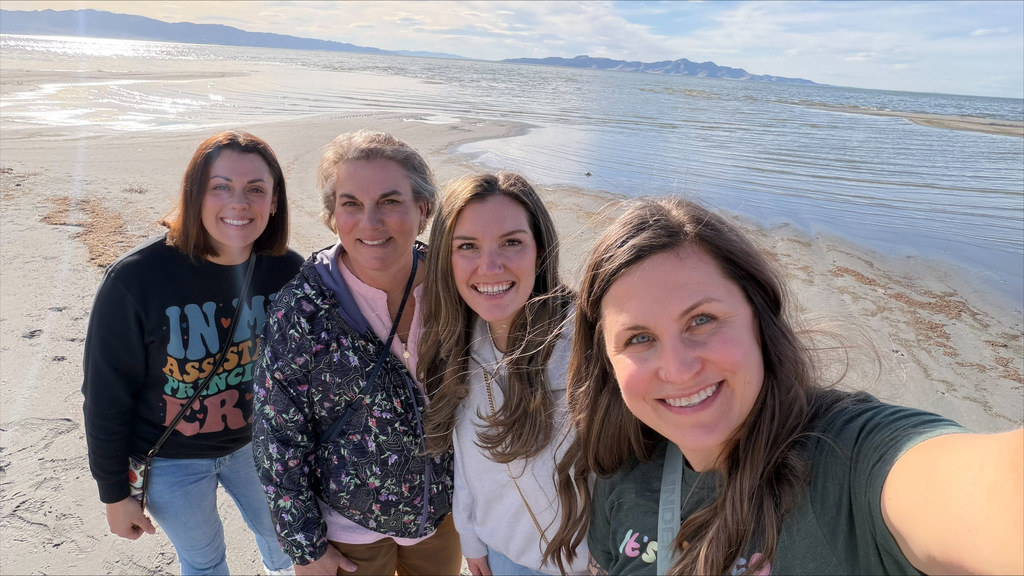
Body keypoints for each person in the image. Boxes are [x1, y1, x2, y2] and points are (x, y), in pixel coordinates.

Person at [545, 197, 1024, 575]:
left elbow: (988, 495)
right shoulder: (623, 478)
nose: (678, 367)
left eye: (702, 319)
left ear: (760, 320)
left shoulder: (846, 462)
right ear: (607, 363)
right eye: (639, 338)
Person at [82, 131, 302, 575]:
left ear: (274, 202)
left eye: (255, 189)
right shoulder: (135, 280)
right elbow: (106, 396)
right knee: (204, 561)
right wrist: (114, 494)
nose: (238, 202)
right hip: (170, 459)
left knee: (287, 547)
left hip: (257, 447)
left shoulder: (289, 271)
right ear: (194, 194)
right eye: (220, 186)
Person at [252, 130, 460, 576]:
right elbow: (278, 437)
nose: (370, 222)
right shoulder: (303, 309)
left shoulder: (457, 289)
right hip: (348, 532)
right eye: (351, 204)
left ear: (422, 210)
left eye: (390, 201)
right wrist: (304, 546)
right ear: (332, 217)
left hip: (443, 517)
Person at [418, 172, 589, 576]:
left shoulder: (588, 344)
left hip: (589, 565)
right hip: (502, 558)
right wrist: (471, 539)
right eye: (468, 247)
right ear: (447, 257)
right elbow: (466, 467)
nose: (489, 266)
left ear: (539, 249)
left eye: (511, 242)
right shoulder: (455, 346)